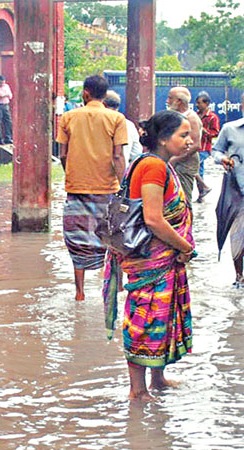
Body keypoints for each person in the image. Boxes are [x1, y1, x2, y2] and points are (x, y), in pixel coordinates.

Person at [103, 110, 195, 401]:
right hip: (152, 258)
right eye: (183, 135)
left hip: (161, 257)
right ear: (164, 139)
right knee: (146, 320)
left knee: (161, 317)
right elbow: (154, 219)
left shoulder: (155, 163)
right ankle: (137, 390)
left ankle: (157, 379)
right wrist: (185, 247)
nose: (190, 141)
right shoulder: (154, 167)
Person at [56, 75, 128, 301]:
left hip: (77, 188)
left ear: (85, 93)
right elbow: (118, 156)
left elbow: (63, 154)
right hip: (107, 189)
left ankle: (79, 293)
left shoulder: (68, 117)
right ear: (104, 95)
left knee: (77, 239)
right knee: (113, 239)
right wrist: (124, 187)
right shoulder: (116, 118)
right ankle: (117, 287)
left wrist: (72, 174)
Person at [212, 92, 244, 284]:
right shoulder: (230, 129)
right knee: (238, 235)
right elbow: (215, 150)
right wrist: (222, 159)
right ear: (242, 106)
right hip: (237, 190)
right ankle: (239, 276)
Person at [166, 87, 203, 203]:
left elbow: (196, 145)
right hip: (175, 163)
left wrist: (175, 159)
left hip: (184, 165)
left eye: (170, 98)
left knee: (184, 200)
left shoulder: (190, 117)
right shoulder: (177, 115)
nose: (167, 101)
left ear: (179, 101)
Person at [103, 90, 142, 162]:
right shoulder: (129, 125)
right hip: (122, 167)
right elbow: (136, 154)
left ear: (103, 104)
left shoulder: (97, 122)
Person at [195, 91, 219, 202]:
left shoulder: (212, 117)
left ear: (206, 103)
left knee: (193, 168)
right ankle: (202, 194)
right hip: (195, 147)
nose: (197, 105)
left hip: (204, 148)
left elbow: (216, 132)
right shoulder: (196, 115)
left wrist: (205, 132)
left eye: (199, 103)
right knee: (199, 170)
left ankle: (204, 187)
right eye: (197, 103)